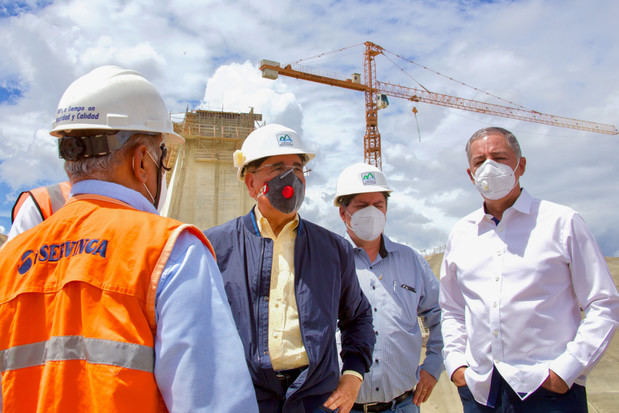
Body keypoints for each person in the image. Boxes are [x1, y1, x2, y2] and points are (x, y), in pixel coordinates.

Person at [0, 65, 258, 413]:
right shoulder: (170, 250)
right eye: (162, 158)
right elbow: (216, 403)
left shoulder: (9, 259)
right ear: (141, 161)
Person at [440, 126, 619, 413]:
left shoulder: (561, 222)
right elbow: (451, 309)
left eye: (499, 157)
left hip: (548, 391)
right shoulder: (461, 234)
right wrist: (457, 365)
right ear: (470, 174)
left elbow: (603, 303)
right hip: (482, 392)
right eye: (479, 161)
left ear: (520, 165)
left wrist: (566, 370)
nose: (489, 167)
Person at [204, 124, 375, 413]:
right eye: (279, 167)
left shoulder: (333, 250)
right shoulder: (214, 247)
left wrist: (353, 375)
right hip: (245, 399)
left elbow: (358, 316)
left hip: (315, 400)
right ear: (251, 183)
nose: (292, 178)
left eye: (298, 168)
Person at [334, 163, 443, 413]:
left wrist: (434, 364)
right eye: (362, 206)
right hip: (343, 407)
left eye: (378, 205)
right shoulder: (330, 262)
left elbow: (441, 313)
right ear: (343, 213)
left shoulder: (411, 261)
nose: (372, 212)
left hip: (402, 405)